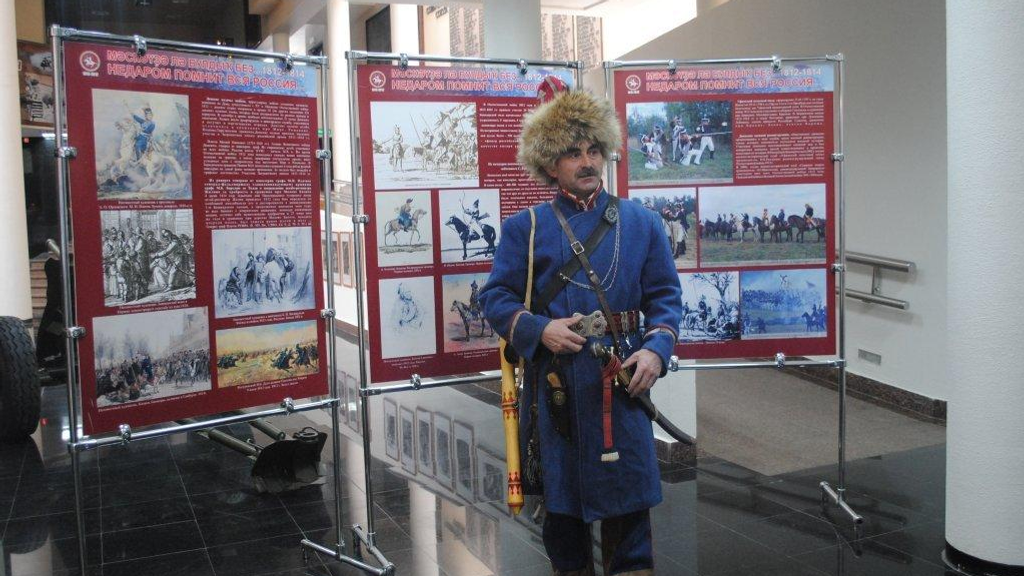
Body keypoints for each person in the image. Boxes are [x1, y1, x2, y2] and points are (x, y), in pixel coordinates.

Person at [481, 79, 682, 576]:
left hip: (623, 385)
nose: (587, 162)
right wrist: (538, 330)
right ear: (551, 165)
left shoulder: (642, 223)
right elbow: (496, 298)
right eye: (573, 153)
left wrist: (655, 351)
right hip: (558, 391)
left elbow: (665, 298)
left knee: (630, 517)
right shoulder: (525, 229)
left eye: (593, 150)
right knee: (565, 520)